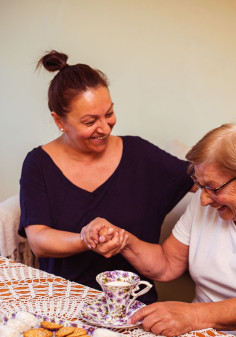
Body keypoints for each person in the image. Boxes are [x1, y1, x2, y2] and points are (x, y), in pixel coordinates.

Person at [82, 118, 236, 337]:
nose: (203, 199)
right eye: (200, 186)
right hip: (204, 333)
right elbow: (166, 265)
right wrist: (122, 240)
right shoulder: (208, 199)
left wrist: (191, 316)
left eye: (213, 188)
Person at [18, 50, 194, 304]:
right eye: (90, 121)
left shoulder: (139, 154)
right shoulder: (38, 164)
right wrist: (85, 239)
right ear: (59, 120)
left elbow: (203, 179)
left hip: (132, 306)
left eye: (108, 114)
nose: (104, 128)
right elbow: (39, 241)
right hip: (64, 302)